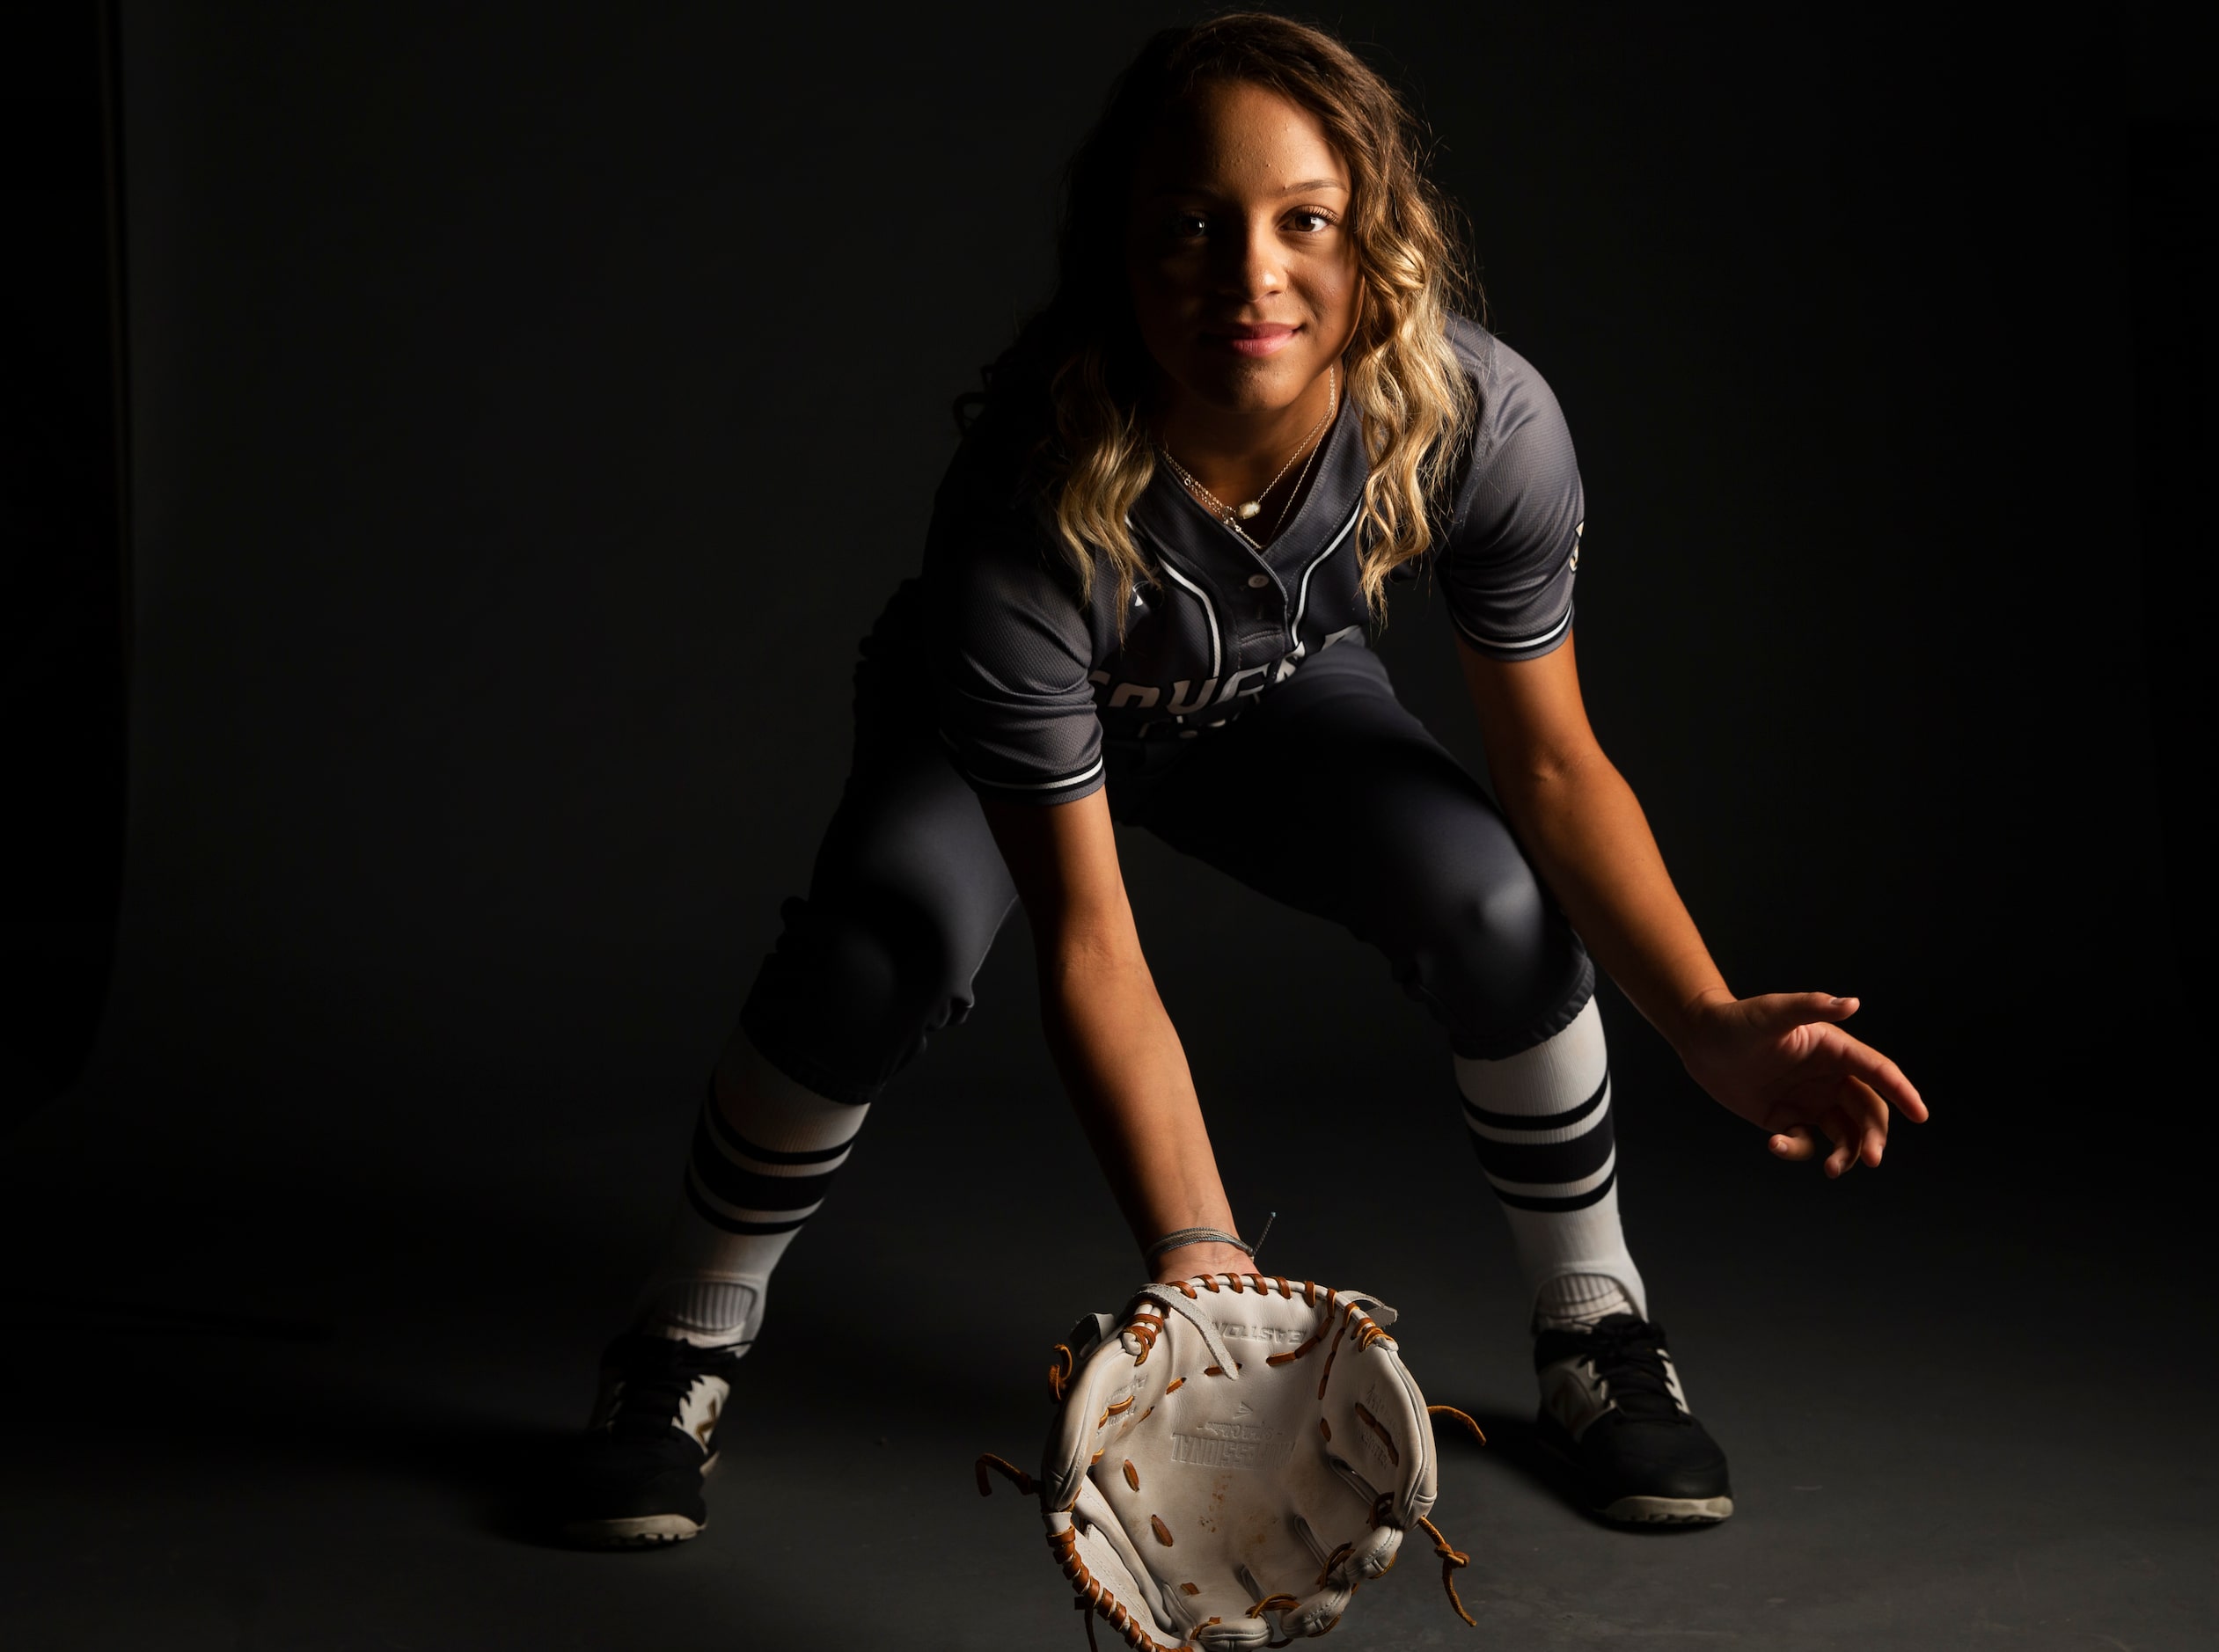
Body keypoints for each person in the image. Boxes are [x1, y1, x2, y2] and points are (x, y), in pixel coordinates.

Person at [562, 13, 1925, 1548]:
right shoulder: (1027, 505)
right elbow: (1092, 936)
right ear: (1115, 253)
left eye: (1304, 221)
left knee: (1488, 891)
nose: (1249, 273)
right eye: (1189, 227)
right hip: (997, 727)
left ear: (1379, 242)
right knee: (877, 949)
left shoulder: (1486, 421)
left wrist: (1702, 1018)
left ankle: (1595, 1330)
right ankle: (682, 1337)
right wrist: (1202, 1259)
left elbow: (1550, 760)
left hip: (1267, 705)